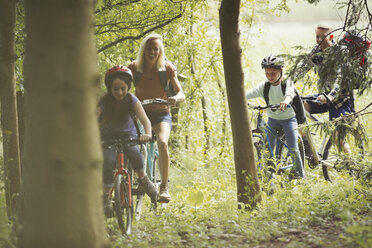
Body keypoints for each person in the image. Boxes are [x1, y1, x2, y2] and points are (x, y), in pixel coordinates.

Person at [128, 33, 185, 202]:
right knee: (132, 143)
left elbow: (181, 92)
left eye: (155, 49)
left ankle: (164, 186)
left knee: (162, 142)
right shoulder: (134, 68)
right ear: (143, 50)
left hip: (161, 113)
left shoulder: (167, 69)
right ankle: (137, 179)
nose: (152, 52)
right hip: (141, 113)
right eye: (149, 49)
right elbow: (122, 85)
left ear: (160, 51)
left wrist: (175, 98)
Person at [98, 65, 157, 216]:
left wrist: (148, 133)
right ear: (110, 88)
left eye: (123, 88)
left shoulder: (132, 100)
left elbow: (145, 119)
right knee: (109, 161)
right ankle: (105, 197)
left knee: (135, 154)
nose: (119, 92)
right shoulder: (104, 101)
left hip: (129, 136)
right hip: (108, 138)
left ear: (128, 87)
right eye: (116, 88)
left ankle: (144, 180)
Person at [246, 55, 305, 178]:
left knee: (293, 148)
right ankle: (269, 175)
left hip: (289, 120)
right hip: (273, 120)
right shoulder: (265, 86)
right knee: (267, 148)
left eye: (273, 73)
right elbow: (248, 93)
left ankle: (300, 175)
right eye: (267, 73)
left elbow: (290, 93)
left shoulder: (286, 83)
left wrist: (286, 101)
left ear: (281, 71)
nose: (270, 76)